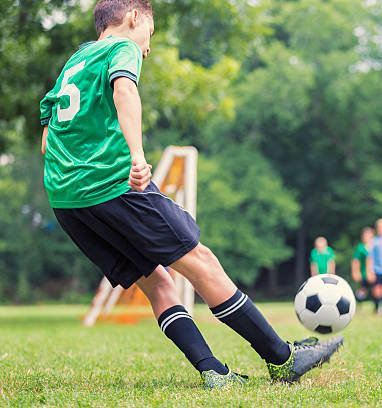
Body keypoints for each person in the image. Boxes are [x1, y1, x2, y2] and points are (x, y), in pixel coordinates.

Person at [39, 0, 342, 389]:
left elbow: (48, 135)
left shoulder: (76, 61)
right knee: (201, 261)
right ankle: (282, 359)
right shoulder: (122, 48)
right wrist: (136, 156)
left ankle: (213, 371)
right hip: (113, 186)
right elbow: (125, 91)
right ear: (134, 18)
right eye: (150, 32)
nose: (147, 47)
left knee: (157, 282)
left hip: (68, 201)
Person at [351, 227, 374, 302]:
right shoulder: (360, 247)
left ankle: (378, 306)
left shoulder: (375, 246)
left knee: (377, 289)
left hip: (375, 273)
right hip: (364, 273)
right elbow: (355, 260)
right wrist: (355, 272)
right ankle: (357, 302)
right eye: (365, 235)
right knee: (363, 289)